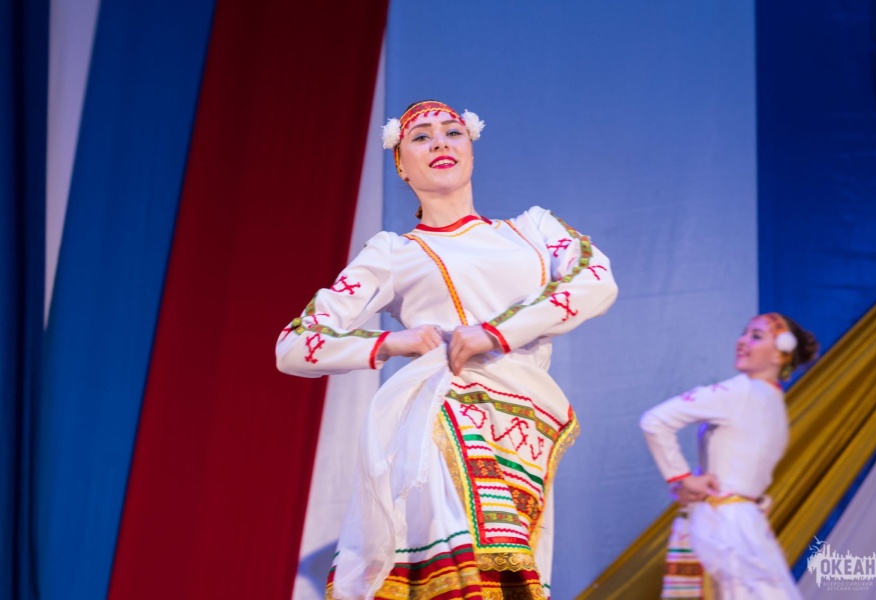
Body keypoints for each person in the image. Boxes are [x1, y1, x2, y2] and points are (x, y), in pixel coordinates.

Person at [276, 100, 619, 599]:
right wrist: (393, 342)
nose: (439, 141)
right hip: (443, 419)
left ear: (471, 150)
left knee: (517, 583)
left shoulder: (535, 228)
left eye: (452, 132)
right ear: (400, 164)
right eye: (421, 136)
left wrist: (493, 333)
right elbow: (295, 345)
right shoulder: (393, 252)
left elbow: (596, 281)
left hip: (527, 425)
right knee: (462, 577)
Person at [640, 313, 819, 600]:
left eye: (756, 336)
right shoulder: (774, 402)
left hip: (725, 525)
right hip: (739, 522)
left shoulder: (742, 391)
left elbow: (655, 420)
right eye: (745, 333)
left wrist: (683, 478)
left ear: (780, 354)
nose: (742, 341)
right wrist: (685, 480)